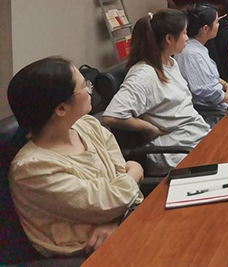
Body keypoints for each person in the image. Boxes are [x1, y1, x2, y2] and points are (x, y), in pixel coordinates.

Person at [8, 57, 143, 257]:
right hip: (86, 256)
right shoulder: (32, 168)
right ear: (61, 108)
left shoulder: (88, 125)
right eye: (84, 86)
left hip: (124, 230)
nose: (90, 89)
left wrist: (115, 220)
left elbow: (122, 192)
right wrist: (136, 171)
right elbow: (110, 200)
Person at [102, 9, 210, 175]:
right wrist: (150, 128)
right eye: (184, 33)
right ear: (169, 38)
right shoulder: (143, 74)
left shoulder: (170, 63)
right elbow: (111, 116)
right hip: (175, 149)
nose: (187, 38)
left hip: (193, 136)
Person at [174, 4, 228, 126]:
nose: (219, 25)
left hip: (219, 103)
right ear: (206, 28)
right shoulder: (192, 54)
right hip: (212, 113)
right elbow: (208, 91)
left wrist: (226, 85)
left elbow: (209, 76)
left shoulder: (197, 47)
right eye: (216, 22)